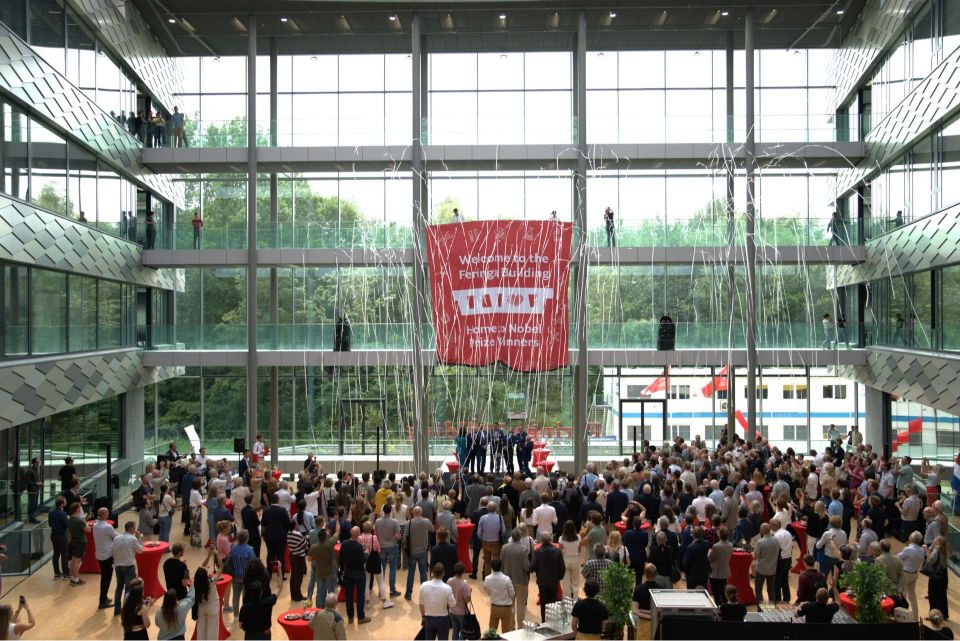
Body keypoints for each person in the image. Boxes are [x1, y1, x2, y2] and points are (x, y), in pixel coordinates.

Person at [499, 528, 531, 630]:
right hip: (521, 581)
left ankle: (511, 626)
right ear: (520, 537)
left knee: (510, 604)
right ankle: (520, 626)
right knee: (521, 605)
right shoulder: (524, 549)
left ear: (511, 537)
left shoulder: (504, 548)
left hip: (507, 581)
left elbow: (501, 565)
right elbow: (526, 567)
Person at [112, 521, 145, 616]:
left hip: (118, 567)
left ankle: (117, 610)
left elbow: (112, 551)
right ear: (131, 528)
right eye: (134, 527)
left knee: (119, 588)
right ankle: (127, 611)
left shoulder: (116, 538)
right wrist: (139, 538)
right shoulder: (133, 539)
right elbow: (140, 550)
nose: (135, 529)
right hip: (129, 567)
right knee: (129, 589)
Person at [339, 526, 371, 625]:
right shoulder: (359, 547)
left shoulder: (344, 544)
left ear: (350, 532)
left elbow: (341, 559)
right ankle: (361, 617)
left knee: (349, 595)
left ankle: (350, 617)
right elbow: (362, 561)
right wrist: (366, 553)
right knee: (360, 595)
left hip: (348, 572)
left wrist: (342, 570)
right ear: (358, 535)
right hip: (359, 573)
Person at [530, 532, 564, 621]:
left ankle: (544, 621)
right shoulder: (557, 551)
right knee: (553, 601)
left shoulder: (537, 551)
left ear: (541, 540)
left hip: (542, 581)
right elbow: (562, 567)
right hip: (554, 581)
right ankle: (553, 621)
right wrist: (559, 577)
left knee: (543, 603)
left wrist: (537, 571)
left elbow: (532, 566)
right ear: (550, 539)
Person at [420, 562, 457, 640]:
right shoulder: (447, 588)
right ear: (443, 573)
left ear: (432, 572)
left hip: (428, 619)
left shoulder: (423, 586)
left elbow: (421, 605)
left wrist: (423, 617)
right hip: (443, 620)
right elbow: (453, 605)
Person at [404, 506, 434, 599]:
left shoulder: (409, 523)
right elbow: (432, 529)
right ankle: (424, 594)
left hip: (412, 551)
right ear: (421, 512)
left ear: (413, 512)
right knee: (423, 573)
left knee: (411, 573)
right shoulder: (426, 521)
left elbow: (405, 538)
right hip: (423, 550)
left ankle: (408, 593)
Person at [193, 551, 223, 640]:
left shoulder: (196, 583)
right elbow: (221, 566)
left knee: (201, 630)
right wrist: (216, 554)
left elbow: (202, 568)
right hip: (213, 606)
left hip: (201, 607)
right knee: (212, 631)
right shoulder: (211, 581)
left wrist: (209, 555)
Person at [482, 558, 515, 635]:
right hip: (506, 608)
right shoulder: (507, 579)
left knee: (492, 632)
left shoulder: (487, 578)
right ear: (501, 566)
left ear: (491, 567)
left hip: (494, 607)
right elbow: (512, 594)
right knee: (506, 633)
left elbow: (487, 591)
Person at [899, 530, 925, 621]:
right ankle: (915, 618)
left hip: (906, 574)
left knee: (902, 595)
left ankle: (902, 616)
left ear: (911, 538)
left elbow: (898, 558)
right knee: (912, 597)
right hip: (914, 574)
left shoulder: (908, 549)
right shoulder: (922, 550)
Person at [753, 523, 780, 606]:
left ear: (761, 531)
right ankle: (772, 607)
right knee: (771, 590)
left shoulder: (760, 542)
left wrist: (752, 553)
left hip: (761, 570)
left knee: (758, 589)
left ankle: (760, 608)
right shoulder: (776, 540)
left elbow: (755, 557)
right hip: (772, 569)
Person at [631, 563, 660, 640]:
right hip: (657, 625)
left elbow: (634, 610)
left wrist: (643, 611)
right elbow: (661, 610)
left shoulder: (638, 589)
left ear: (644, 574)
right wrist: (653, 615)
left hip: (643, 624)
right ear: (656, 574)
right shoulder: (661, 589)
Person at [925, 535, 950, 620]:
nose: (934, 540)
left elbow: (930, 561)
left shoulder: (937, 550)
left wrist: (926, 550)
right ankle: (944, 614)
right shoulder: (945, 551)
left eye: (935, 540)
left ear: (938, 542)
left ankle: (933, 615)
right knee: (942, 595)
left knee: (933, 595)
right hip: (943, 575)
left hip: (936, 576)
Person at [707, 526, 733, 604]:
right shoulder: (731, 545)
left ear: (719, 535)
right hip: (724, 571)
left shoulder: (716, 546)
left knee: (716, 593)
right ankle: (725, 607)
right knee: (723, 592)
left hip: (715, 573)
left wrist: (709, 553)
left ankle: (719, 608)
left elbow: (710, 559)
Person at [447, 562, 472, 641]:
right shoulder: (464, 585)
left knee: (455, 630)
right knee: (463, 632)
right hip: (461, 612)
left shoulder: (449, 581)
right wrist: (470, 591)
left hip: (451, 611)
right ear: (463, 571)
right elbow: (467, 600)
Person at [66, 502, 89, 586]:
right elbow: (88, 530)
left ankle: (73, 577)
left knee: (73, 560)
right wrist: (84, 520)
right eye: (80, 508)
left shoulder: (69, 520)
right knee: (77, 561)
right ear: (77, 509)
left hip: (73, 541)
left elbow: (68, 532)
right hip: (81, 542)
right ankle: (76, 579)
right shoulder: (79, 521)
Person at [48, 496, 70, 580]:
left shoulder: (51, 513)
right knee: (64, 554)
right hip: (62, 536)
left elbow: (50, 524)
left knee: (56, 554)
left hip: (54, 535)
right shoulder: (63, 514)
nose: (66, 502)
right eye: (65, 501)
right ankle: (66, 573)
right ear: (61, 504)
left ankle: (56, 573)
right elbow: (67, 525)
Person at [24, 458, 41, 524]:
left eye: (39, 462)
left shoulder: (36, 470)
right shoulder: (30, 471)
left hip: (36, 490)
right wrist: (37, 483)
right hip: (32, 491)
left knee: (34, 504)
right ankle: (32, 518)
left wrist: (38, 483)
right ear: (34, 463)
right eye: (38, 462)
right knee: (32, 505)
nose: (39, 464)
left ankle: (32, 517)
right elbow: (27, 481)